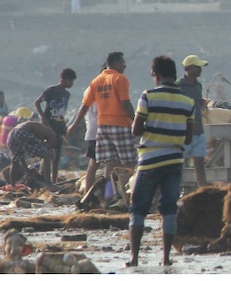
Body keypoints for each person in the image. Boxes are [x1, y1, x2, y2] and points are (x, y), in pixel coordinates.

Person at [128, 55, 194, 267]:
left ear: (156, 75)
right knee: (169, 208)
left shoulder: (148, 96)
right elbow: (189, 137)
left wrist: (153, 130)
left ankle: (134, 258)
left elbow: (136, 130)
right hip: (174, 160)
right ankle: (166, 258)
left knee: (138, 208)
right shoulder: (188, 102)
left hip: (149, 160)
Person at [67, 52, 136, 185]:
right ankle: (121, 191)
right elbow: (125, 103)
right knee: (129, 161)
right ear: (115, 63)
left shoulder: (96, 81)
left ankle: (109, 194)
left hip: (103, 127)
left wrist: (73, 125)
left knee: (110, 161)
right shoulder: (120, 79)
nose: (124, 65)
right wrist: (135, 121)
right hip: (120, 123)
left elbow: (84, 106)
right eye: (122, 62)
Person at [35, 68, 76, 182]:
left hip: (59, 126)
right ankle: (43, 177)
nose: (72, 84)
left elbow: (61, 113)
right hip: (49, 126)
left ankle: (54, 180)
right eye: (71, 81)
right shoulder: (51, 90)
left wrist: (65, 129)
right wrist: (43, 117)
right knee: (47, 152)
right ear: (64, 80)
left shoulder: (66, 94)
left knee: (57, 155)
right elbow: (37, 102)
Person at [176, 55, 209, 188]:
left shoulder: (198, 86)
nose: (200, 69)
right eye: (197, 67)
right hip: (183, 133)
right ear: (188, 68)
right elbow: (176, 107)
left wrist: (201, 102)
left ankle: (204, 191)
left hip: (199, 132)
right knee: (179, 165)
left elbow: (196, 101)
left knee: (200, 165)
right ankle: (175, 192)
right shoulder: (178, 86)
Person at [6, 119, 59, 187]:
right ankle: (49, 184)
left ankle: (13, 186)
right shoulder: (52, 135)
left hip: (12, 133)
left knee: (15, 161)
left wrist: (26, 169)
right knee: (47, 155)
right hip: (23, 132)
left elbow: (20, 157)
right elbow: (46, 151)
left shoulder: (42, 131)